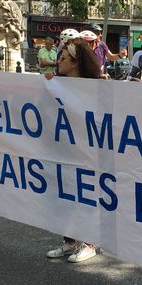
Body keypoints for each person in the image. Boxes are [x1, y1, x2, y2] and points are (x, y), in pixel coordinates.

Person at [46, 39, 101, 263]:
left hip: (88, 152)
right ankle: (70, 242)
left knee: (87, 195)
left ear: (76, 62)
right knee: (65, 194)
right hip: (65, 150)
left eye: (63, 58)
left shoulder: (97, 88)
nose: (58, 61)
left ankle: (90, 243)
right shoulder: (57, 84)